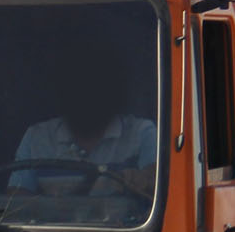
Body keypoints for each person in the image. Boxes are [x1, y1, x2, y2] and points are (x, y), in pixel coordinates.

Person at [8, 79, 157, 198]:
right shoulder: (37, 137)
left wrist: (138, 181)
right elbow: (16, 205)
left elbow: (156, 186)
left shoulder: (142, 133)